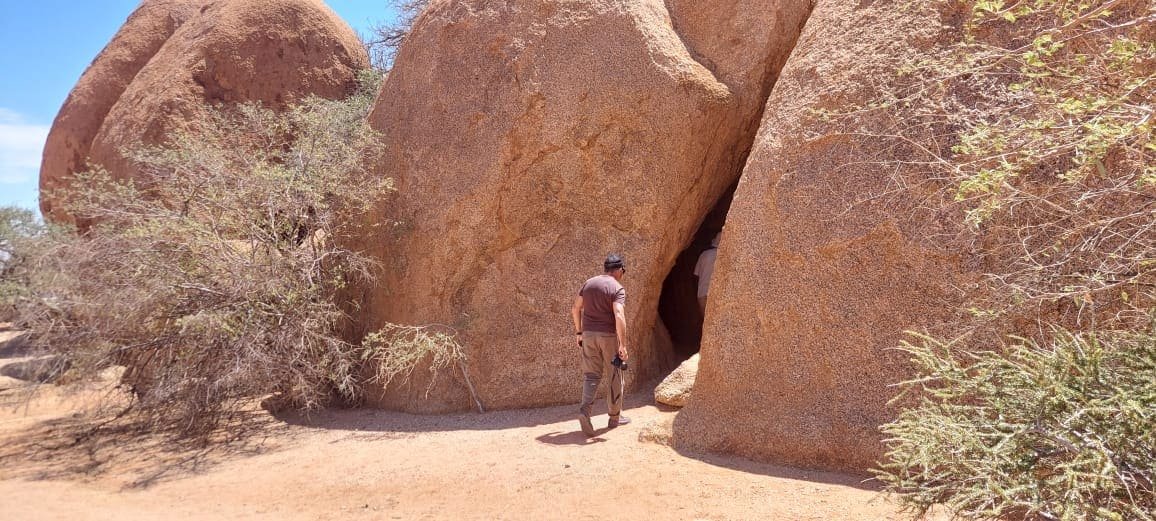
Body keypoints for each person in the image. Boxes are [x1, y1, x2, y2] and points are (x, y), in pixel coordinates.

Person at [570, 253, 631, 437]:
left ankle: (585, 412)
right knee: (615, 375)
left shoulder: (589, 284)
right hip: (608, 336)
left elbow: (575, 308)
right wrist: (623, 344)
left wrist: (579, 332)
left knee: (591, 376)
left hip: (588, 335)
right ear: (619, 270)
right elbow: (619, 314)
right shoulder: (617, 288)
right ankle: (614, 418)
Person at [693, 232, 721, 315]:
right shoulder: (724, 256)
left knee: (706, 323)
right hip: (717, 294)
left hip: (702, 293)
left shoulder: (704, 254)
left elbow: (696, 275)